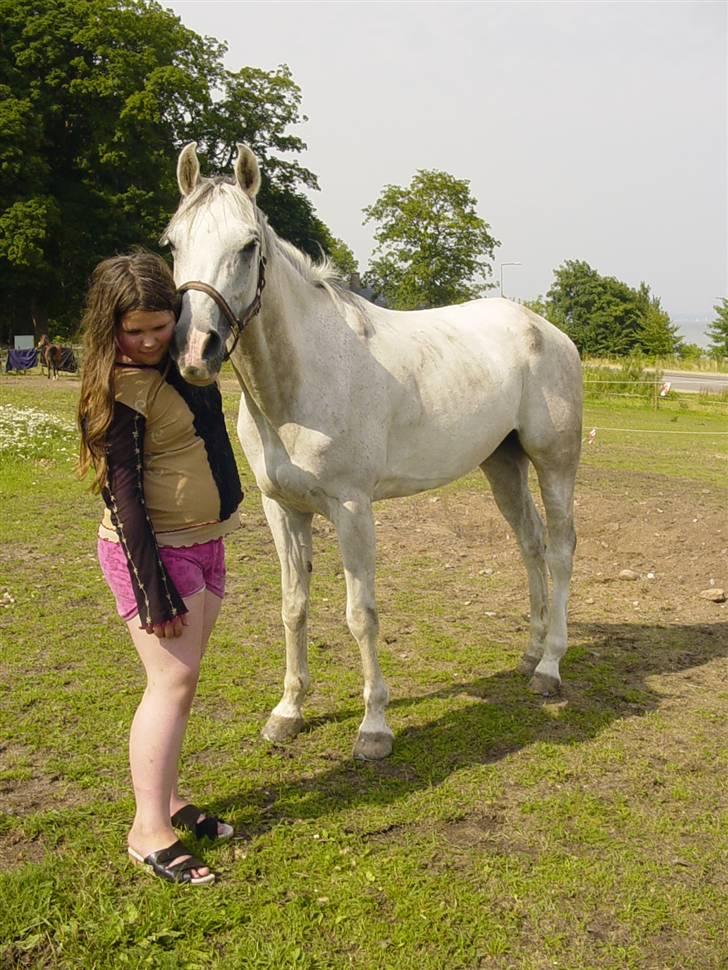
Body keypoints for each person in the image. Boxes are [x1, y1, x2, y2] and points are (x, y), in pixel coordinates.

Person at [77, 251, 243, 886]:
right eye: (133, 330)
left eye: (159, 325)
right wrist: (153, 592)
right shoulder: (118, 389)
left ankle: (167, 800)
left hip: (205, 544)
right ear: (109, 327)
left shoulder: (184, 367)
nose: (148, 341)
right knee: (168, 684)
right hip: (153, 556)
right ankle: (148, 831)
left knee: (185, 680)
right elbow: (121, 500)